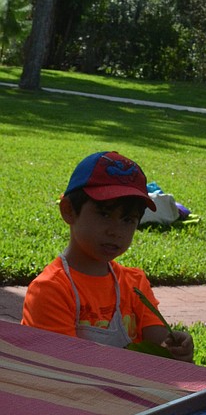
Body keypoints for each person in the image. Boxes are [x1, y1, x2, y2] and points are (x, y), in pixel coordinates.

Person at [22, 150, 194, 361]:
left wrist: (176, 347)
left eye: (128, 219)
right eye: (104, 214)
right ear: (68, 210)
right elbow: (61, 368)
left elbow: (159, 344)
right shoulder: (51, 289)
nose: (116, 231)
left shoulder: (135, 285)